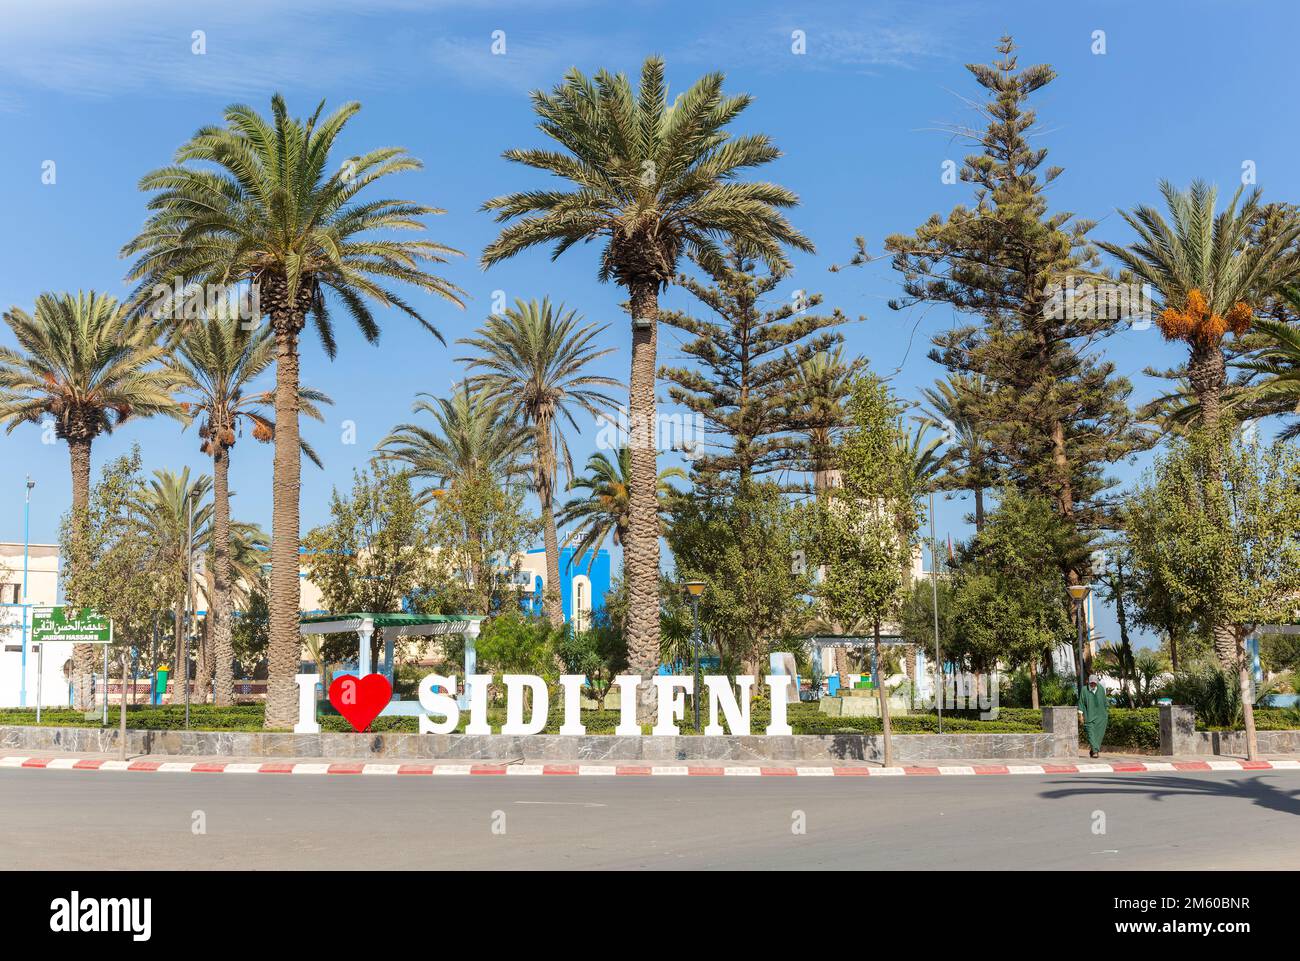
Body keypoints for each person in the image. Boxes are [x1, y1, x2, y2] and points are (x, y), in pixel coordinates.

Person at [1078, 674, 1109, 758]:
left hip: (1101, 717)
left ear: (1097, 682)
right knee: (1090, 733)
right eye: (1091, 683)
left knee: (1099, 735)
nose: (1093, 684)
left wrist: (1106, 714)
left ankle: (1093, 749)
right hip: (1089, 716)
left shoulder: (1101, 689)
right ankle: (1095, 751)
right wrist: (1080, 715)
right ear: (1088, 682)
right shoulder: (1084, 690)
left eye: (1094, 683)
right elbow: (1081, 703)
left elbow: (1105, 702)